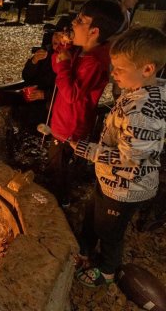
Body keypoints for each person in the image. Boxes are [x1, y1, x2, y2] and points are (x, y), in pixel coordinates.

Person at [70, 27, 166, 287]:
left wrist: (84, 149)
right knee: (95, 213)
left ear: (147, 69)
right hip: (113, 181)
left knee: (110, 230)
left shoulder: (143, 110)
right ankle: (84, 248)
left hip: (126, 187)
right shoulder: (141, 91)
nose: (113, 73)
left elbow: (130, 158)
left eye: (119, 69)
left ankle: (107, 270)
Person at [46, 0, 124, 207]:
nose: (73, 22)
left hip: (70, 128)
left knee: (59, 169)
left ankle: (58, 204)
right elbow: (59, 70)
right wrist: (62, 51)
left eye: (80, 20)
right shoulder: (82, 51)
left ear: (94, 31)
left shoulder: (93, 62)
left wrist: (63, 65)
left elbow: (71, 94)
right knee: (56, 164)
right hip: (63, 120)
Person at [0, 16, 71, 156]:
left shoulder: (70, 58)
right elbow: (26, 77)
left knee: (31, 113)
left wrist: (44, 94)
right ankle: (0, 146)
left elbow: (69, 91)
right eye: (55, 34)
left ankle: (26, 150)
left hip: (51, 102)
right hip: (33, 94)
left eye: (62, 36)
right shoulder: (47, 51)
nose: (57, 39)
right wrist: (33, 61)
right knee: (4, 100)